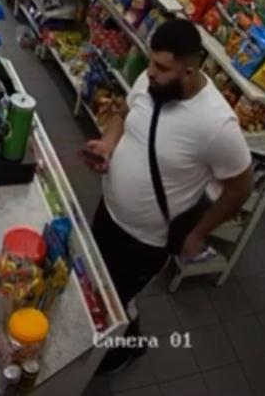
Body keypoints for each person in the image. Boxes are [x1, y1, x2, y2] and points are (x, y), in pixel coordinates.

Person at [84, 19, 253, 372]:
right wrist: (108, 144)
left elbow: (241, 186)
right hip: (108, 212)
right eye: (150, 62)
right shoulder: (151, 82)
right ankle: (116, 322)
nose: (149, 72)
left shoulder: (218, 125)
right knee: (95, 281)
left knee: (113, 298)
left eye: (161, 67)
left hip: (147, 240)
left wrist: (199, 232)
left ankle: (120, 352)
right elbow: (125, 114)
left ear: (189, 71)